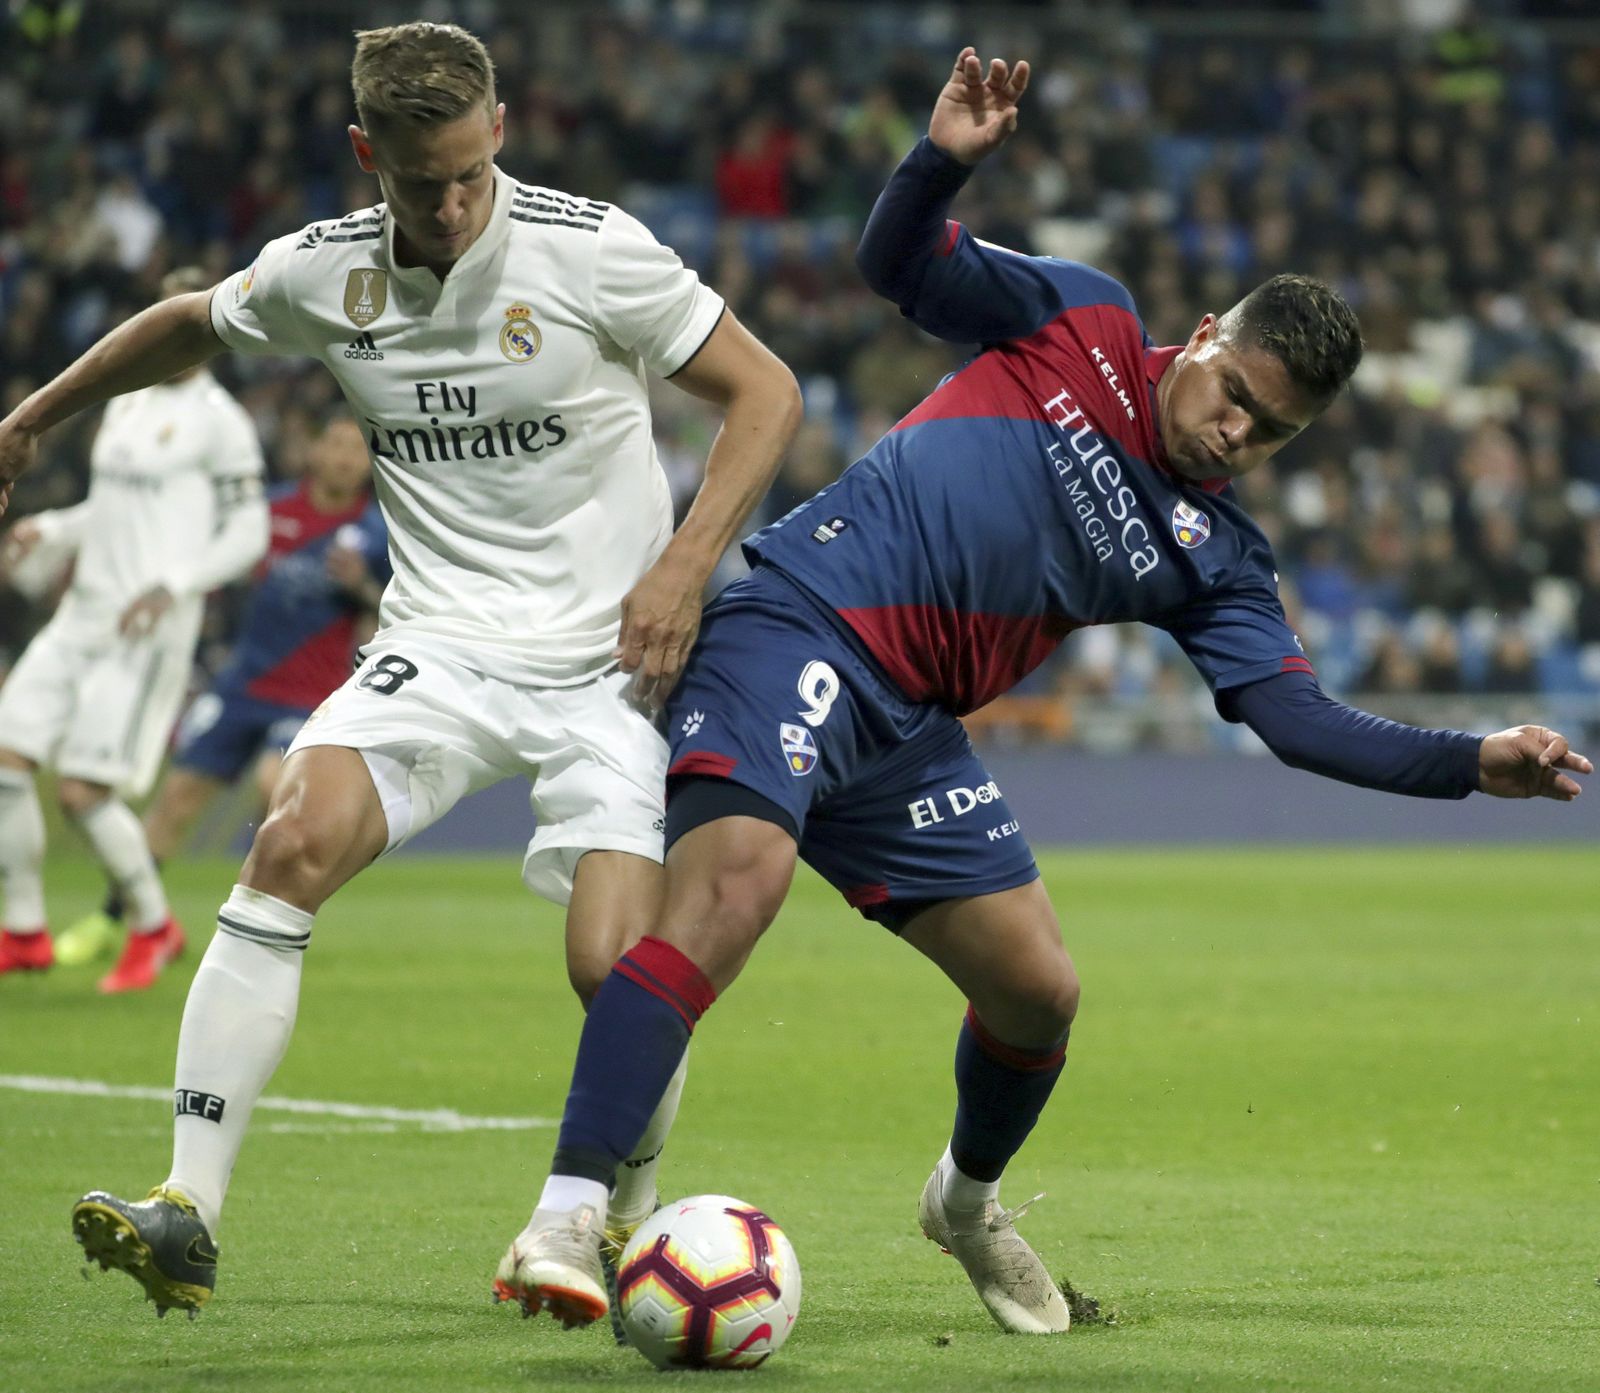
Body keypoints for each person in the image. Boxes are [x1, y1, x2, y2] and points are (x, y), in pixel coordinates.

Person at [505, 49, 1592, 1336]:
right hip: (799, 620)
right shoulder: (1076, 318)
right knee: (733, 891)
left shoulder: (1220, 561)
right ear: (1200, 340)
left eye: (1273, 431)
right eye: (1235, 395)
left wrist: (1472, 761)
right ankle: (569, 1212)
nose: (1238, 431)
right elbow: (896, 268)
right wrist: (942, 162)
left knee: (1038, 989)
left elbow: (1298, 723)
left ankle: (964, 1201)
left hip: (907, 733)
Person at [0, 22, 800, 1317]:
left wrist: (685, 565)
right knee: (289, 841)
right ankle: (188, 1205)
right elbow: (189, 326)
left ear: (500, 131)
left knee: (615, 965)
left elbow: (765, 392)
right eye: (418, 181)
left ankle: (599, 1215)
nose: (448, 205)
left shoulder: (591, 253)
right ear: (368, 153)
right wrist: (30, 421)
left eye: (469, 174)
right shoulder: (322, 274)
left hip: (615, 657)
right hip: (437, 641)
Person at [0, 266, 270, 994]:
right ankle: (23, 929)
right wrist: (53, 529)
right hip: (84, 608)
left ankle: (153, 926)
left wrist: (174, 584)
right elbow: (112, 507)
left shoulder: (221, 421)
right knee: (6, 756)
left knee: (84, 792)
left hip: (143, 623)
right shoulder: (123, 404)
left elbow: (250, 527)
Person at [55, 415, 389, 975]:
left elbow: (390, 610)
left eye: (356, 450)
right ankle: (120, 920)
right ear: (314, 452)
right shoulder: (270, 513)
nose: (344, 458)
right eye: (334, 443)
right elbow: (219, 567)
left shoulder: (376, 530)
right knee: (175, 801)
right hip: (243, 684)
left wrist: (361, 587)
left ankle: (259, 925)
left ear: (368, 464)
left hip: (311, 695)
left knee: (271, 787)